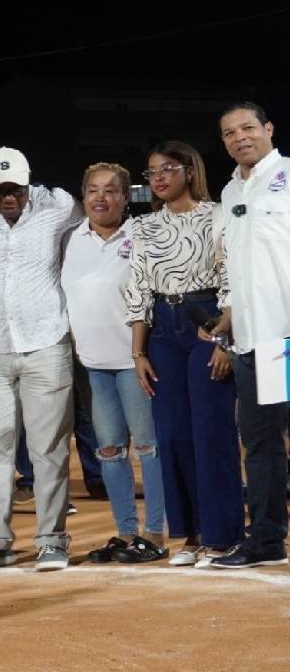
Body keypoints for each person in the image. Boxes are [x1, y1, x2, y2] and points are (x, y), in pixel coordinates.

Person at [0, 148, 79, 572]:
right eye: (0, 191)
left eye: (16, 190)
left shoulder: (58, 206)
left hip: (47, 343)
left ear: (29, 183)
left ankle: (52, 537)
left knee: (48, 449)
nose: (9, 198)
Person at [125, 141, 244, 568]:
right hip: (162, 330)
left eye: (167, 169)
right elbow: (137, 287)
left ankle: (224, 535)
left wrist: (224, 338)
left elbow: (232, 278)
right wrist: (137, 352)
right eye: (151, 171)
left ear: (189, 171)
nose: (157, 178)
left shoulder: (217, 216)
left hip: (207, 321)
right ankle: (191, 534)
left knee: (211, 432)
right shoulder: (143, 227)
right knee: (172, 435)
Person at [61, 165, 166, 564]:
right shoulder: (73, 240)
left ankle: (154, 532)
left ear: (126, 198)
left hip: (135, 361)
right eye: (92, 190)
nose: (100, 197)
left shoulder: (142, 235)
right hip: (93, 364)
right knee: (108, 451)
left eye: (110, 190)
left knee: (149, 448)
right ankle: (126, 532)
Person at [207, 102, 290, 569]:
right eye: (229, 132)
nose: (240, 137)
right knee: (260, 448)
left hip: (287, 340)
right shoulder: (230, 190)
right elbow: (239, 270)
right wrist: (229, 318)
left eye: (248, 128)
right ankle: (265, 540)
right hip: (252, 344)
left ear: (268, 129)